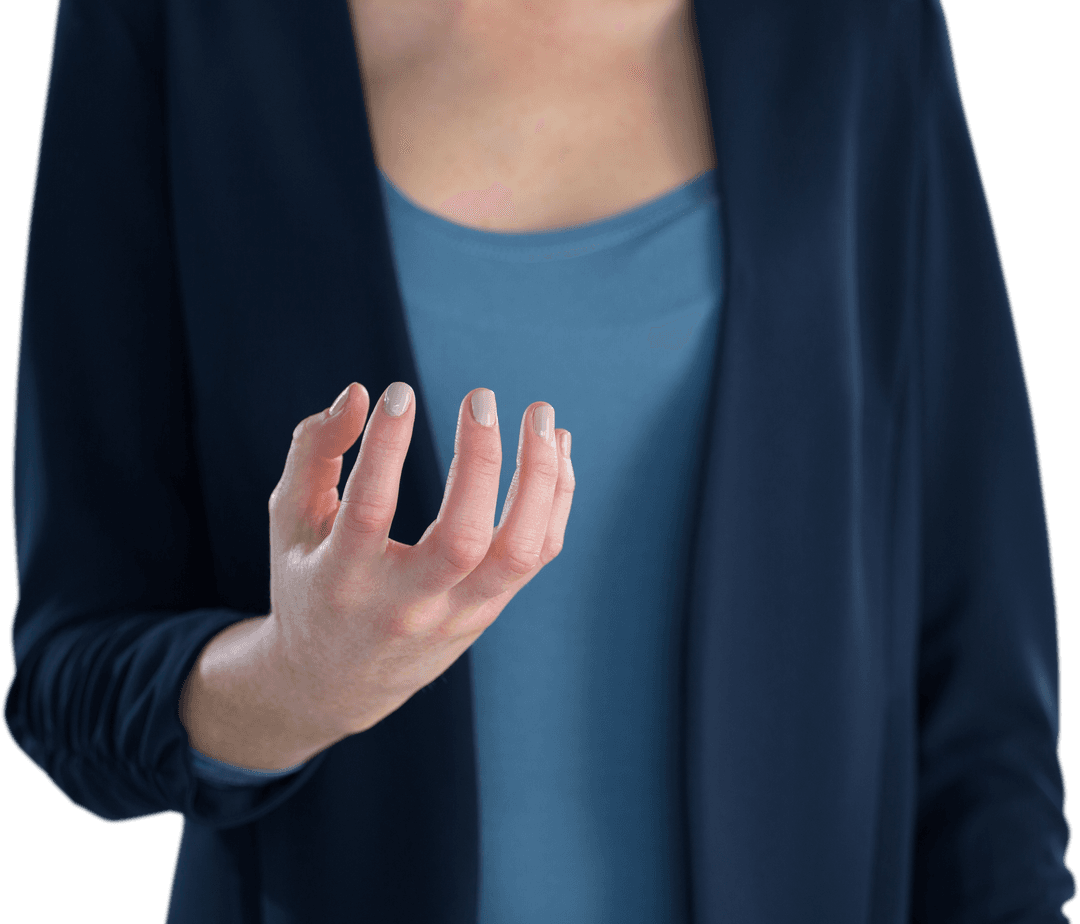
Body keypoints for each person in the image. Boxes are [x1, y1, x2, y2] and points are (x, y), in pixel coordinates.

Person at [4, 0, 1075, 921]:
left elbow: (980, 698)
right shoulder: (173, 26)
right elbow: (70, 672)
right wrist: (295, 681)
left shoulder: (860, 31)